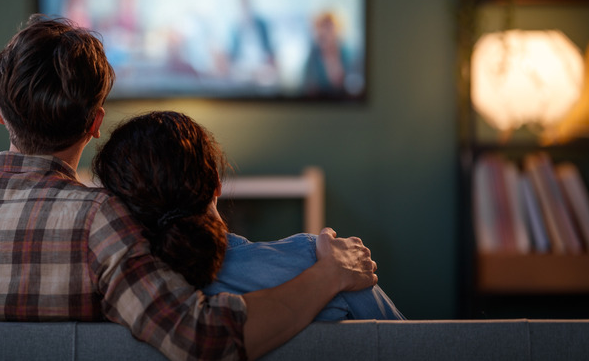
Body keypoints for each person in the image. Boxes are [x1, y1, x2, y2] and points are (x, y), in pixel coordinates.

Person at [0, 15, 379, 361]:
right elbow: (200, 339)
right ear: (95, 124)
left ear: (1, 112)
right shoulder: (98, 221)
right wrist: (327, 274)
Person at [93, 111, 404, 321]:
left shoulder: (107, 296)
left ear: (118, 206)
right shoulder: (326, 262)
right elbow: (412, 345)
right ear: (215, 181)